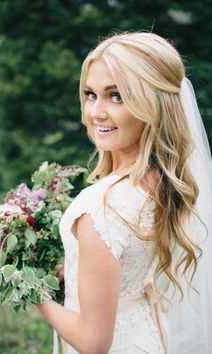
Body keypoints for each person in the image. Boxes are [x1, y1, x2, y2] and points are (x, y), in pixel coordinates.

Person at [38, 32, 212, 354]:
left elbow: (93, 343)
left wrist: (36, 294)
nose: (96, 112)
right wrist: (75, 268)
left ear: (152, 104)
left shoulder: (99, 206)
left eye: (116, 96)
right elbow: (128, 263)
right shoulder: (160, 182)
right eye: (91, 95)